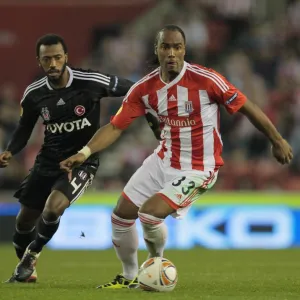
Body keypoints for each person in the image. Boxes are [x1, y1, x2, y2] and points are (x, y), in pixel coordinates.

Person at [60, 24, 293, 289]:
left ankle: (155, 265)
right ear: (157, 50)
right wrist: (85, 152)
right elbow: (115, 126)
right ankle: (128, 277)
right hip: (163, 160)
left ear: (184, 50)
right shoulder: (143, 89)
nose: (171, 52)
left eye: (177, 47)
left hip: (198, 167)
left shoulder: (206, 80)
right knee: (121, 215)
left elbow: (246, 106)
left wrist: (277, 140)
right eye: (165, 46)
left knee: (149, 215)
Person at [0, 34, 160, 284]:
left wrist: (151, 112)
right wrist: (11, 150)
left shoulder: (90, 81)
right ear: (39, 61)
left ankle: (32, 254)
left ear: (66, 57)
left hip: (83, 161)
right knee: (24, 220)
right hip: (47, 162)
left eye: (56, 57)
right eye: (46, 59)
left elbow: (134, 89)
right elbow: (24, 127)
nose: (52, 63)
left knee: (53, 209)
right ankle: (27, 269)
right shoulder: (34, 94)